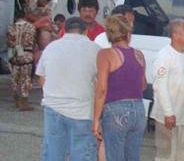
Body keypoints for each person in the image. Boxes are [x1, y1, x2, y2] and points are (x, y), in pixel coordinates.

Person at [35, 17, 100, 161]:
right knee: (82, 154)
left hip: (53, 108)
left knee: (53, 154)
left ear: (65, 30)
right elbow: (101, 83)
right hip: (82, 111)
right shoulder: (95, 49)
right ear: (85, 31)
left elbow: (41, 79)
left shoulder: (51, 47)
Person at [92, 14, 147, 161]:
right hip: (139, 109)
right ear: (128, 32)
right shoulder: (139, 54)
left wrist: (96, 119)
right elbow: (143, 85)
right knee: (133, 155)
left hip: (116, 109)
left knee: (115, 156)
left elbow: (101, 89)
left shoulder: (105, 54)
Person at [151, 20, 184, 161]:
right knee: (165, 155)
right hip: (167, 117)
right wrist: (168, 113)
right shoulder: (164, 55)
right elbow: (160, 86)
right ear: (176, 35)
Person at [6, 9, 36, 111]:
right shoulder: (31, 27)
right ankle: (24, 102)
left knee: (15, 78)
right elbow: (32, 41)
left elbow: (9, 43)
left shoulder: (11, 27)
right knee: (25, 78)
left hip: (14, 55)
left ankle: (16, 100)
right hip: (26, 55)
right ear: (25, 16)